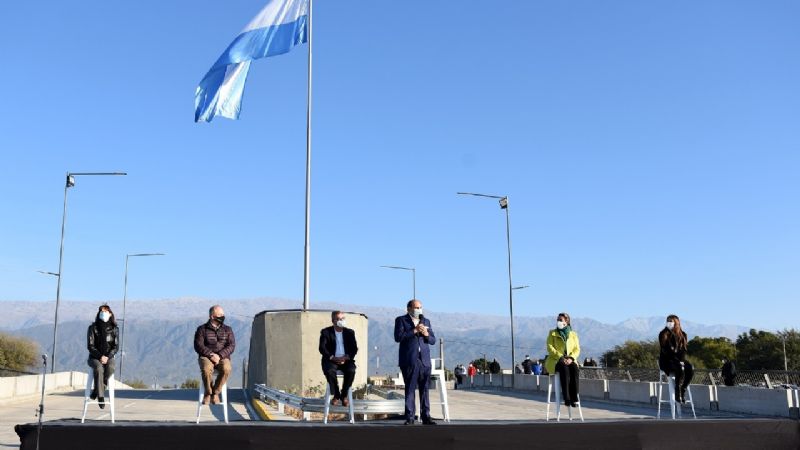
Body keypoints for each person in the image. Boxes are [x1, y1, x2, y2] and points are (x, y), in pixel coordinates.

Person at [394, 299, 437, 425]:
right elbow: (398, 337)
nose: (419, 310)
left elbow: (433, 340)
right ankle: (410, 417)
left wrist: (426, 334)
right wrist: (415, 330)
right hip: (409, 360)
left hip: (424, 360)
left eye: (420, 307)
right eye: (416, 307)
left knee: (425, 389)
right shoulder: (401, 320)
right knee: (410, 388)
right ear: (408, 309)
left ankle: (426, 416)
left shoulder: (426, 321)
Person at [194, 305, 235, 405]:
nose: (222, 316)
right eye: (220, 315)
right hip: (206, 356)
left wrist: (220, 355)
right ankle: (208, 393)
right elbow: (198, 345)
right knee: (206, 369)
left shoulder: (228, 329)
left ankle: (215, 393)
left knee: (227, 368)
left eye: (223, 314)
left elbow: (231, 345)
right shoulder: (202, 329)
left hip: (223, 356)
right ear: (212, 316)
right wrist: (211, 354)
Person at [319, 310, 358, 406]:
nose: (341, 320)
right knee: (329, 371)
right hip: (331, 360)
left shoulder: (349, 332)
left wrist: (346, 357)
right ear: (333, 320)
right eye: (338, 319)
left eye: (342, 318)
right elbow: (322, 348)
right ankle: (336, 395)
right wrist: (333, 358)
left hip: (346, 360)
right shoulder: (326, 332)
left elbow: (354, 348)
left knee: (351, 370)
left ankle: (344, 395)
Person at [545, 312, 581, 407]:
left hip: (569, 359)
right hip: (556, 360)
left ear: (566, 322)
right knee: (564, 368)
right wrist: (560, 356)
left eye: (560, 320)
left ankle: (575, 397)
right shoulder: (552, 333)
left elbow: (577, 349)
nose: (558, 321)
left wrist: (571, 358)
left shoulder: (573, 334)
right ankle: (567, 397)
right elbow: (549, 347)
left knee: (574, 368)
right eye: (557, 319)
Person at [87, 304, 119, 409]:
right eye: (101, 311)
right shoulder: (92, 328)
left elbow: (115, 347)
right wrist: (100, 356)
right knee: (99, 368)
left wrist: (107, 357)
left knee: (111, 367)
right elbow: (90, 346)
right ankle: (101, 396)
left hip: (109, 357)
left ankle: (96, 391)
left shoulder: (115, 329)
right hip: (94, 357)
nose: (103, 313)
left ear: (110, 314)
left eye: (105, 311)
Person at [658, 314, 694, 403]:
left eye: (671, 321)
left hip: (679, 360)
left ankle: (683, 388)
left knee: (690, 368)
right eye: (668, 321)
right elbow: (666, 351)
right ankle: (677, 391)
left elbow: (683, 351)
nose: (669, 323)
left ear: (676, 323)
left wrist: (681, 361)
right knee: (679, 367)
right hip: (667, 361)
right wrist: (677, 361)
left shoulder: (683, 335)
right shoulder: (663, 334)